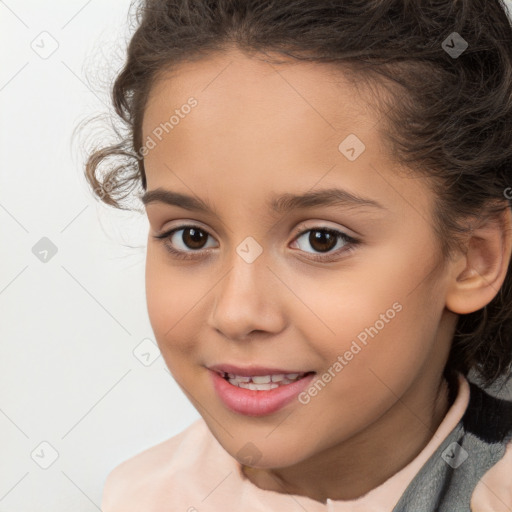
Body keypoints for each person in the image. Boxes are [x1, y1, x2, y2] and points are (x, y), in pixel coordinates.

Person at [83, 0, 512, 510]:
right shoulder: (139, 498)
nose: (237, 313)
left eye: (321, 240)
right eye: (191, 237)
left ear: (473, 258)